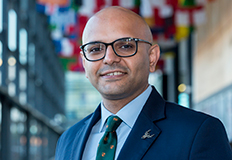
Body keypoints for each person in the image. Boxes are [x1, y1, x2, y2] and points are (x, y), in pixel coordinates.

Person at [55, 6, 232, 160]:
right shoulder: (68, 140)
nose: (109, 58)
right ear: (85, 64)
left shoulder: (198, 133)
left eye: (125, 46)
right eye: (95, 49)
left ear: (152, 57)